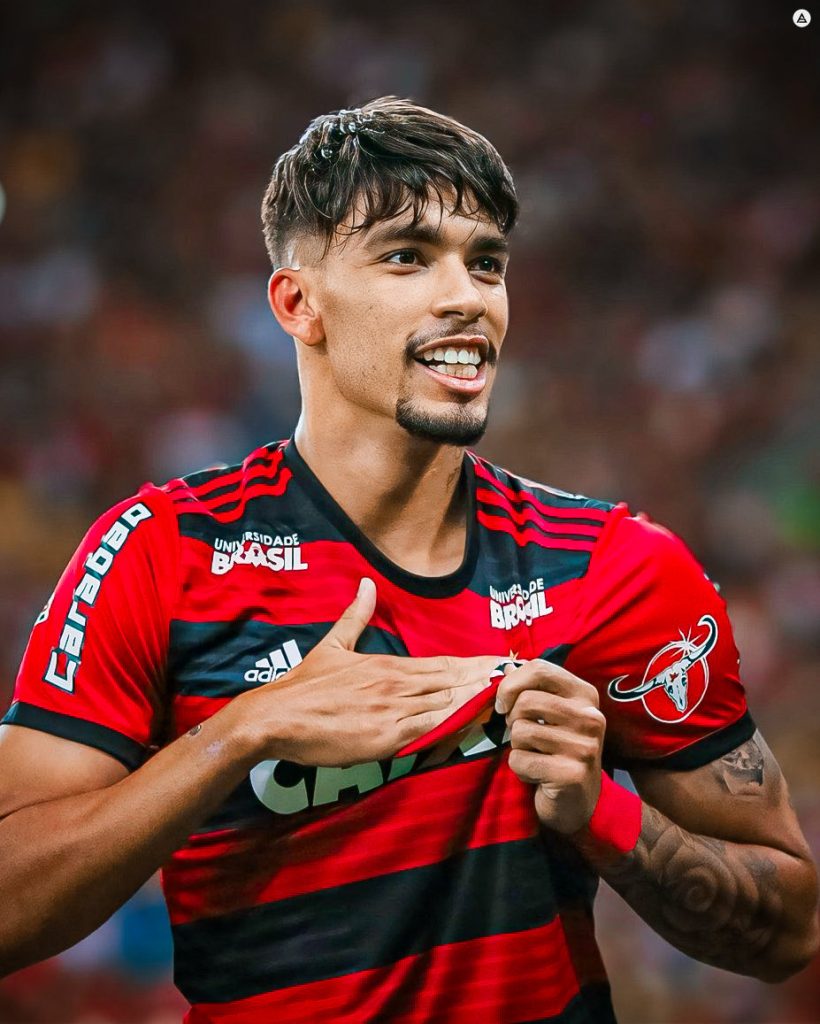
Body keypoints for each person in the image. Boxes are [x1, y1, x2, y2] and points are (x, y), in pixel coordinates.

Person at [0, 97, 817, 1024]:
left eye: (487, 262)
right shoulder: (161, 551)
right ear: (298, 304)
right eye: (407, 256)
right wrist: (243, 733)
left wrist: (605, 813)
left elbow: (789, 931)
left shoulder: (615, 568)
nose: (467, 296)